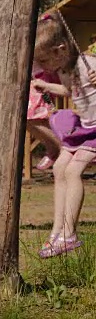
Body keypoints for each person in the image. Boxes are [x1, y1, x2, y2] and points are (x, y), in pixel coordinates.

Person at [32, 13, 96, 258]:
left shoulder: (89, 62)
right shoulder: (64, 70)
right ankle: (56, 231)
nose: (45, 68)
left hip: (95, 130)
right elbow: (68, 90)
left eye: (45, 61)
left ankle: (70, 234)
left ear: (61, 49)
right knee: (59, 168)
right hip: (85, 126)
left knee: (72, 171)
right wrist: (46, 87)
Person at [27, 63, 62, 170]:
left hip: (41, 78)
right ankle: (52, 147)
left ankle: (62, 148)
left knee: (33, 115)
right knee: (23, 118)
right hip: (30, 79)